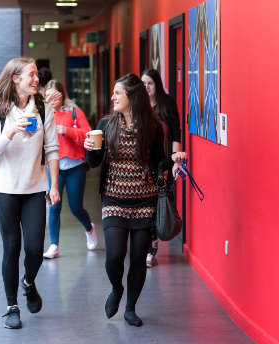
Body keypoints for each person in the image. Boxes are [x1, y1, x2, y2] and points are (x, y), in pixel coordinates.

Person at [84, 73, 175, 327]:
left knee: (137, 259)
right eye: (113, 93)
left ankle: (131, 308)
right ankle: (116, 288)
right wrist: (89, 150)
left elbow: (158, 162)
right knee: (114, 257)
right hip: (114, 199)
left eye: (117, 93)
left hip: (144, 202)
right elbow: (93, 163)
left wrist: (174, 161)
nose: (112, 97)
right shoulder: (106, 124)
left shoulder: (154, 127)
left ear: (132, 97)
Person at [0, 57, 61, 329]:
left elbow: (52, 148)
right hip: (4, 188)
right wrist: (11, 131)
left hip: (34, 187)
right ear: (15, 78)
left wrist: (54, 185)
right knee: (12, 246)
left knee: (33, 248)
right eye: (30, 75)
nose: (36, 79)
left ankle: (28, 282)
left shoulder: (42, 108)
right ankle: (12, 306)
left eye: (36, 75)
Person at [42, 79, 97, 259]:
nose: (53, 97)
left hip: (75, 166)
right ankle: (54, 245)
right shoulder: (42, 114)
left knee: (75, 207)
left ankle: (89, 228)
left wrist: (67, 130)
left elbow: (88, 134)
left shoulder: (74, 112)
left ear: (62, 94)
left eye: (56, 93)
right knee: (54, 206)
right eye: (48, 94)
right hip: (53, 168)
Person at [141, 68, 187, 268]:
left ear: (156, 84)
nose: (146, 87)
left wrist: (176, 161)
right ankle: (147, 244)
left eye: (149, 83)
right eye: (143, 84)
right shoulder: (139, 106)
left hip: (163, 167)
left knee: (157, 202)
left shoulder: (167, 104)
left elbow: (176, 133)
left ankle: (152, 248)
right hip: (143, 166)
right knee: (144, 204)